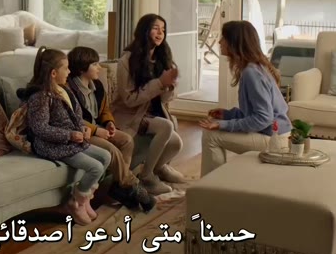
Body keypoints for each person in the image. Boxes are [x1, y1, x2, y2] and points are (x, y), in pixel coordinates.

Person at [17, 46, 112, 225]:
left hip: (72, 141)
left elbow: (77, 116)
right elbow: (40, 128)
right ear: (53, 73)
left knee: (106, 156)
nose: (69, 72)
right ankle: (75, 202)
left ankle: (85, 199)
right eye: (66, 68)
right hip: (53, 145)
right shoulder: (40, 97)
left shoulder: (64, 90)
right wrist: (70, 135)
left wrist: (83, 129)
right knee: (95, 167)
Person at [67, 46, 156, 212]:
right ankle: (131, 184)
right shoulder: (69, 90)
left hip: (98, 128)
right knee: (112, 150)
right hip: (83, 132)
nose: (99, 67)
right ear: (81, 68)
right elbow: (73, 118)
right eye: (95, 64)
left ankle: (119, 186)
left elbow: (105, 109)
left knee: (127, 140)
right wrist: (96, 130)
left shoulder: (97, 85)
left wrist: (109, 122)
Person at [199, 20, 292, 176]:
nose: (220, 42)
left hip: (274, 140)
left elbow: (263, 118)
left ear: (234, 43)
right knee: (214, 129)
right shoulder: (254, 68)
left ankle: (211, 185)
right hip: (276, 134)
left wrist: (224, 125)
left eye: (224, 38)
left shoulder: (251, 73)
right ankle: (215, 183)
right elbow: (255, 114)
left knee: (211, 136)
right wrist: (228, 115)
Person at [111, 14, 186, 196]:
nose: (160, 33)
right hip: (130, 115)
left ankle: (159, 168)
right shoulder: (127, 61)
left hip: (152, 113)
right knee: (166, 126)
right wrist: (159, 83)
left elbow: (165, 99)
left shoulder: (162, 57)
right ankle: (147, 177)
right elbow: (129, 100)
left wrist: (168, 86)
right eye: (155, 28)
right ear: (144, 31)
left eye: (163, 29)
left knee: (176, 143)